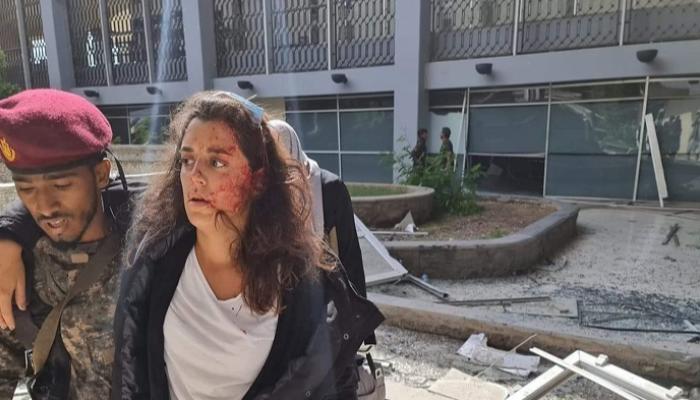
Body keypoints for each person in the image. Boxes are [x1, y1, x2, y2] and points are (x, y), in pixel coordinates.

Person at [112, 91, 383, 399]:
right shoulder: (152, 263)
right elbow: (129, 375)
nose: (194, 176)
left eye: (216, 162)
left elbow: (335, 383)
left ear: (258, 180)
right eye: (187, 160)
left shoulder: (304, 280)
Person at [0, 89, 135, 399]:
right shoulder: (19, 269)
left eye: (61, 185)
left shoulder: (150, 246)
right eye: (26, 189)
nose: (45, 206)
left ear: (101, 175)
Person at [268, 119, 374, 344]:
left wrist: (360, 328)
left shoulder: (329, 188)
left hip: (324, 295)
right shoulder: (264, 189)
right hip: (278, 301)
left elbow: (349, 254)